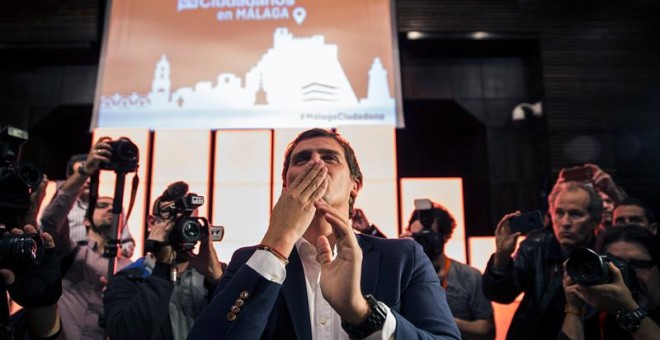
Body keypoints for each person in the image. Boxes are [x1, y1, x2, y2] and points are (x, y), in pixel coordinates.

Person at [188, 128, 460, 339]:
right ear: (285, 184)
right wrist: (276, 243)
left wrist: (364, 314)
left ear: (355, 185)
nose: (314, 164)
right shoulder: (247, 261)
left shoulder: (403, 257)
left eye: (329, 157)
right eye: (302, 159)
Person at [103, 181, 226, 340]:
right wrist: (162, 269)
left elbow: (245, 326)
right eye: (174, 221)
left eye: (189, 222)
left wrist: (217, 280)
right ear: (152, 222)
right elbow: (128, 334)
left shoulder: (218, 273)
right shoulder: (127, 279)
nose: (181, 228)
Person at [482, 180, 603, 339]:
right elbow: (501, 295)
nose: (565, 222)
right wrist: (502, 256)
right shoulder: (536, 248)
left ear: (595, 221)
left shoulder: (605, 254)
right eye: (559, 213)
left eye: (575, 214)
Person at [40, 137, 132, 339]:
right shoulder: (71, 252)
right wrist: (85, 171)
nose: (110, 209)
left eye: (114, 206)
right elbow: (49, 222)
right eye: (101, 205)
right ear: (86, 221)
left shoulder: (131, 269)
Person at [403, 201, 495, 340]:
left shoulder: (470, 276)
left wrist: (448, 322)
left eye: (427, 236)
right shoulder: (402, 275)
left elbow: (487, 330)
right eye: (417, 236)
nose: (422, 242)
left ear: (444, 236)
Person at [562, 225, 660, 339]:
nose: (623, 272)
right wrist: (574, 307)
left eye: (638, 265)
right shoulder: (599, 310)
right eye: (614, 264)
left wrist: (628, 309)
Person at [62, 153, 135, 257]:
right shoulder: (62, 209)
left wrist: (119, 253)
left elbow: (127, 242)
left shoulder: (113, 207)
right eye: (83, 175)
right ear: (72, 178)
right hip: (72, 266)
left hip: (106, 265)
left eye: (91, 175)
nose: (87, 181)